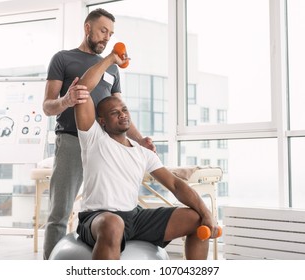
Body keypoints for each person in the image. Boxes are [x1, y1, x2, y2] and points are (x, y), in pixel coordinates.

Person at [72, 48, 220, 260]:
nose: (122, 115)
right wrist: (112, 59)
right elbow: (82, 89)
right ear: (102, 121)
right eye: (115, 113)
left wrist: (207, 213)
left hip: (135, 217)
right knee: (113, 223)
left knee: (196, 218)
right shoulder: (94, 138)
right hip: (98, 218)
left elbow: (176, 185)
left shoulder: (143, 152)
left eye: (124, 110)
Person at [42, 8, 155, 260]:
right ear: (87, 28)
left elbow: (119, 110)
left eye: (111, 33)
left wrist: (140, 139)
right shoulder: (62, 59)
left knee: (107, 210)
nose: (107, 38)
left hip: (104, 147)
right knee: (59, 213)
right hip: (72, 141)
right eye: (103, 30)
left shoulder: (113, 70)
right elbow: (47, 106)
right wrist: (66, 101)